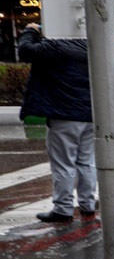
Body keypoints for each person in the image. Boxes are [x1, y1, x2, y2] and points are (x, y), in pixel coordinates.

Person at [17, 23, 97, 223]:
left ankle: (63, 208)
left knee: (63, 163)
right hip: (90, 114)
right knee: (86, 161)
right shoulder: (91, 47)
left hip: (64, 114)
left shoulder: (56, 47)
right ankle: (87, 204)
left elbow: (25, 51)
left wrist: (31, 31)